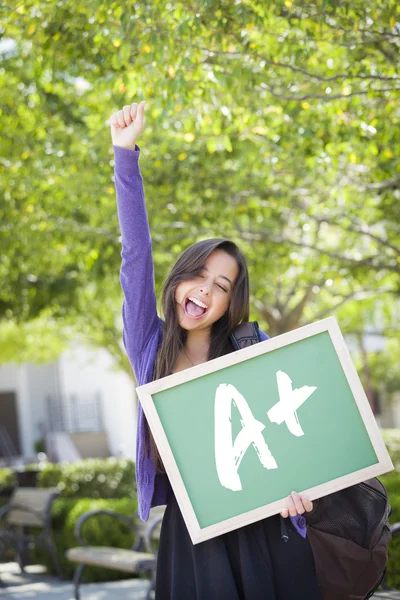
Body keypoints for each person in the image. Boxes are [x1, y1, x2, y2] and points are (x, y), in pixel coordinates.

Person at [110, 101, 322, 599]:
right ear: (180, 279)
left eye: (221, 285)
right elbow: (135, 253)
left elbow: (298, 437)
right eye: (198, 275)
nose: (205, 291)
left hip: (264, 524)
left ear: (231, 302)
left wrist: (300, 492)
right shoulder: (149, 344)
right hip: (194, 528)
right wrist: (125, 155)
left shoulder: (253, 346)